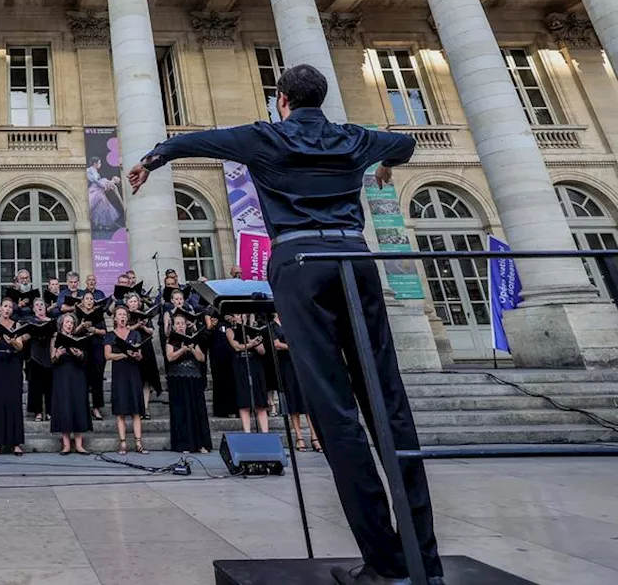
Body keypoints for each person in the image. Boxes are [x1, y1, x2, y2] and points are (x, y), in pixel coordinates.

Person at [127, 63, 441, 585]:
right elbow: (403, 144)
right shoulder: (353, 137)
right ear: (321, 98)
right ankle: (424, 563)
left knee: (335, 410)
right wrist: (385, 166)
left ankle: (385, 563)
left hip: (300, 264)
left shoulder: (265, 137)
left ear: (282, 100)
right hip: (355, 261)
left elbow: (195, 141)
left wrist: (150, 161)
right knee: (388, 401)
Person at [271, 312, 322, 453]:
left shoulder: (292, 322)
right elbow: (276, 344)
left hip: (298, 364)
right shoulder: (272, 326)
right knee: (292, 401)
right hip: (285, 365)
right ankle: (299, 436)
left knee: (305, 401)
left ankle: (314, 435)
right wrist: (292, 347)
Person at [0, 298, 27, 455]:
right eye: (5, 306)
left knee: (13, 401)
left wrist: (13, 341)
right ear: (0, 308)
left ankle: (16, 443)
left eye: (10, 307)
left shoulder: (17, 325)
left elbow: (21, 346)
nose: (8, 309)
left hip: (13, 364)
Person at [166, 310, 211, 453]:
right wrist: (182, 349)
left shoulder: (193, 339)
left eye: (182, 324)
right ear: (173, 326)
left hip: (194, 378)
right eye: (177, 324)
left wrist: (191, 349)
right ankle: (184, 444)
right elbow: (170, 357)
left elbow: (202, 358)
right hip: (178, 379)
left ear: (186, 325)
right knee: (182, 413)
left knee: (197, 411)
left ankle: (200, 444)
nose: (180, 326)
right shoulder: (171, 340)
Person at [104, 305, 146, 454]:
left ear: (127, 317)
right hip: (119, 373)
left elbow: (140, 355)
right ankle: (123, 443)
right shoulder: (110, 335)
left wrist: (135, 355)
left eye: (124, 315)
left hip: (133, 372)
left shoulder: (135, 334)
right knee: (120, 410)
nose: (122, 317)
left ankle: (138, 442)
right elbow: (108, 356)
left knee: (136, 409)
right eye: (119, 314)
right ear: (115, 318)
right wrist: (124, 354)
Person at [50, 312, 92, 454]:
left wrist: (79, 354)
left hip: (77, 375)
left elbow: (84, 359)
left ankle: (79, 444)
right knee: (65, 406)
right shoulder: (55, 337)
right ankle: (66, 444)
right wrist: (57, 355)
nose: (69, 325)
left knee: (78, 405)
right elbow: (51, 360)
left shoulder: (78, 338)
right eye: (67, 322)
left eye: (71, 323)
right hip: (62, 376)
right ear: (62, 324)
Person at [227, 316, 269, 433]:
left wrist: (255, 343)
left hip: (255, 363)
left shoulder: (255, 330)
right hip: (240, 364)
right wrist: (250, 345)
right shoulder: (231, 330)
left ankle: (265, 433)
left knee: (260, 401)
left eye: (242, 315)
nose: (240, 317)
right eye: (237, 315)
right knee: (244, 400)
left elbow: (262, 351)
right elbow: (236, 346)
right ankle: (247, 433)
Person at [76, 292, 107, 420]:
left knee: (97, 378)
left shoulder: (98, 314)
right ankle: (83, 407)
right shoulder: (77, 314)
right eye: (86, 299)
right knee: (82, 378)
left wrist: (94, 330)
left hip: (97, 347)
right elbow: (73, 331)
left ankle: (96, 407)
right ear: (82, 301)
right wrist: (82, 326)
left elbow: (104, 331)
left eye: (91, 299)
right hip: (83, 347)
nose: (89, 301)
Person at [25, 297, 55, 422]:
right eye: (36, 305)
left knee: (50, 385)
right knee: (35, 385)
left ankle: (50, 411)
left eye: (41, 304)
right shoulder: (30, 321)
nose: (39, 306)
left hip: (48, 351)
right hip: (35, 353)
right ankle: (37, 411)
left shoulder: (52, 321)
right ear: (33, 308)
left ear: (45, 307)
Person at [208, 310, 238, 420]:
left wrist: (234, 320)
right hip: (217, 355)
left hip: (231, 355)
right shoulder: (214, 314)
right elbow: (208, 334)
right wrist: (212, 325)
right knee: (220, 382)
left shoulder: (232, 317)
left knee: (232, 381)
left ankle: (234, 409)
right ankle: (221, 410)